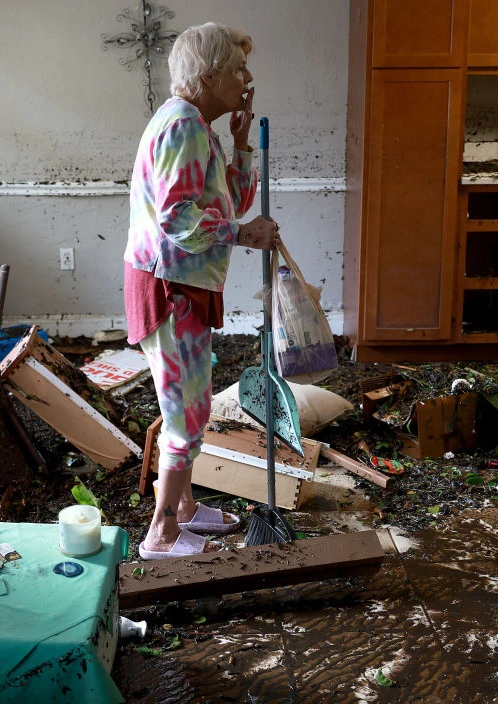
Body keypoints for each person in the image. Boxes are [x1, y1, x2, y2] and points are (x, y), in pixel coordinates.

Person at [124, 23, 280, 559]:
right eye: (238, 69)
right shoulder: (182, 126)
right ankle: (162, 534)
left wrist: (241, 149)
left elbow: (227, 204)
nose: (247, 77)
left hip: (184, 284)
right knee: (185, 416)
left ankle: (186, 511)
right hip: (171, 288)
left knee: (191, 409)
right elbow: (176, 219)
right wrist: (243, 234)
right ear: (209, 75)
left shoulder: (198, 126)